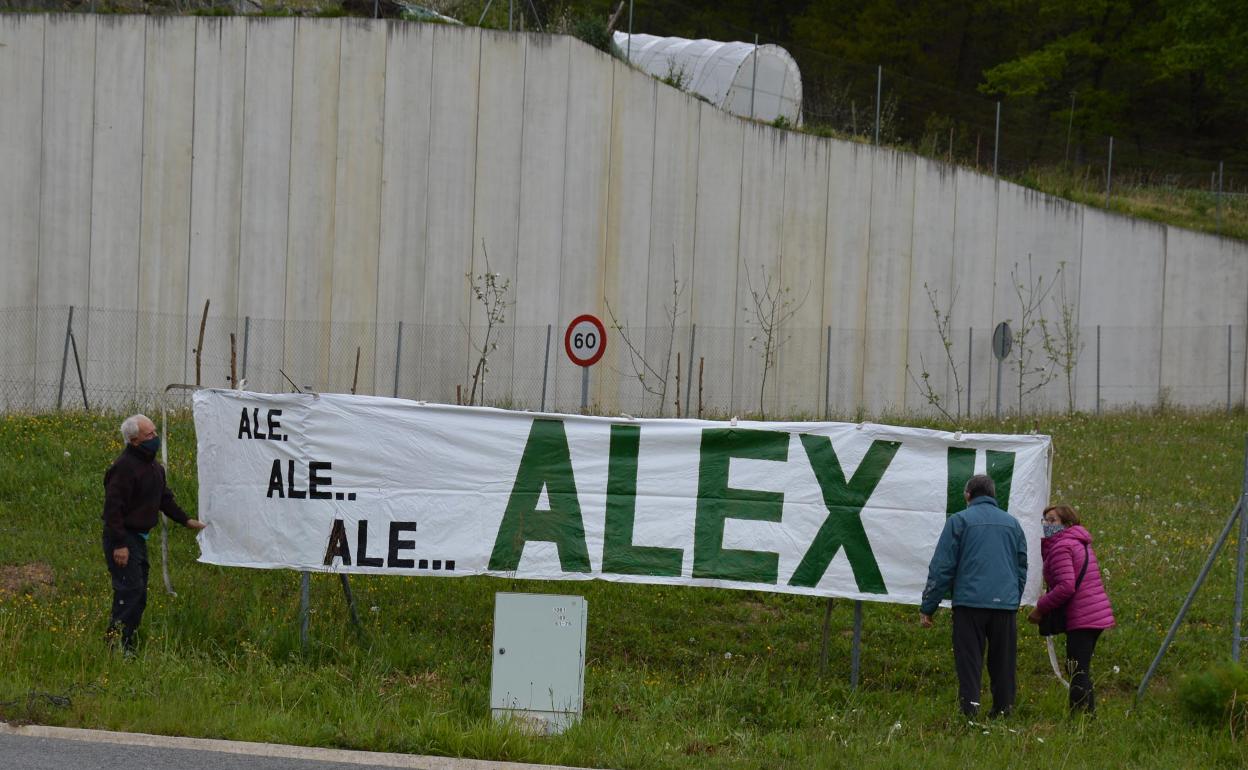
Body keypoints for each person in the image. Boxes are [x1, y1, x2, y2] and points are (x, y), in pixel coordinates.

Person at [919, 474, 1028, 719]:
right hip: (1005, 606)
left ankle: (969, 712)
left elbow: (942, 566)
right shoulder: (1013, 524)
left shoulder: (959, 521)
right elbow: (1022, 566)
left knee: (969, 662)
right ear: (993, 495)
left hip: (969, 604)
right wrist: (1013, 597)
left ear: (968, 495)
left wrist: (929, 606)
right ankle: (1003, 711)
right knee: (1003, 663)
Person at [102, 414, 206, 652]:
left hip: (138, 539)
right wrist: (119, 544)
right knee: (129, 591)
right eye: (149, 435)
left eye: (155, 432)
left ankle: (128, 642)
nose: (155, 437)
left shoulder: (154, 467)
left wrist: (186, 520)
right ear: (134, 440)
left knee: (139, 594)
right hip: (123, 539)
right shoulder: (123, 468)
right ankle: (115, 645)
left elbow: (164, 499)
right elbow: (113, 509)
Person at [1028, 504, 1115, 714]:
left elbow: (1066, 586)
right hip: (1093, 613)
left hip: (1083, 616)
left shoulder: (1061, 547)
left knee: (1077, 670)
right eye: (1045, 520)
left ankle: (1081, 718)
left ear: (1066, 524)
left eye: (1052, 520)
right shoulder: (1079, 542)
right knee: (1079, 668)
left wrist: (1041, 608)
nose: (1047, 525)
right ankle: (1086, 715)